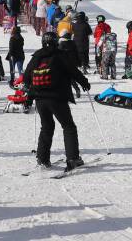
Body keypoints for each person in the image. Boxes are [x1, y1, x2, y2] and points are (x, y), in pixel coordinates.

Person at [24, 31, 90, 171]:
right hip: (57, 98)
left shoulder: (36, 56)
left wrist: (30, 95)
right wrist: (84, 82)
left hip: (40, 99)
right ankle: (72, 158)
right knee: (68, 127)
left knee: (47, 127)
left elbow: (26, 78)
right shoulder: (60, 55)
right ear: (55, 42)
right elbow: (73, 71)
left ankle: (42, 159)